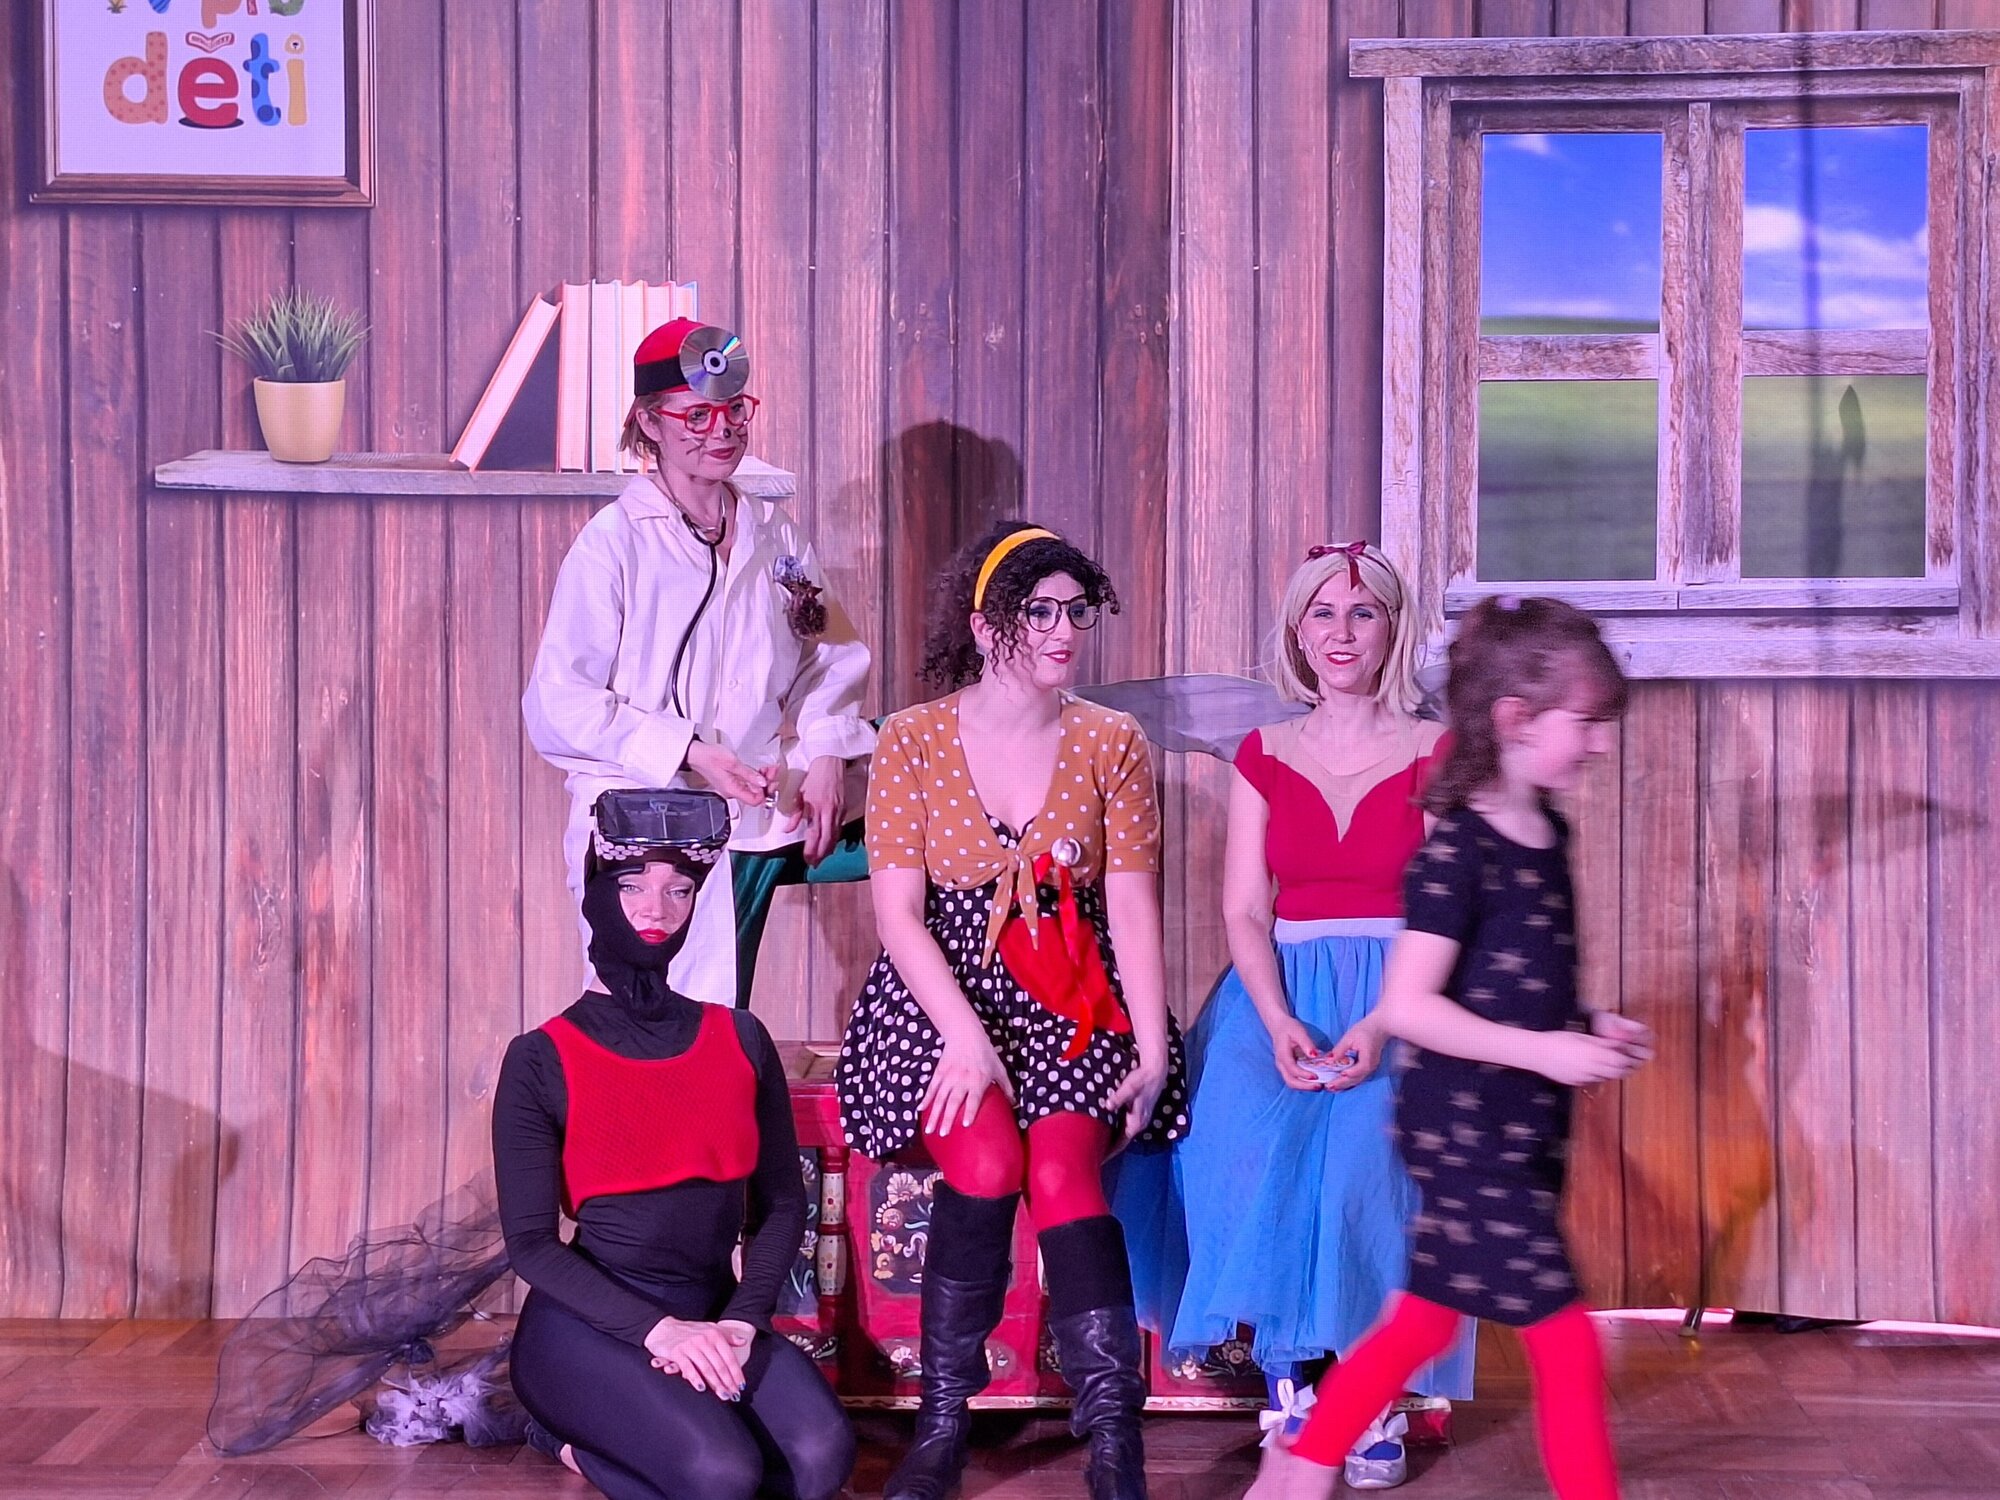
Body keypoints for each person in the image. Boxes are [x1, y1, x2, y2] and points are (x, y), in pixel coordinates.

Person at [1247, 596, 1653, 1500]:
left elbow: (1516, 979)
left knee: (1422, 1323)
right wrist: (1545, 1052)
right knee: (1566, 1342)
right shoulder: (1457, 850)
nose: (1600, 744)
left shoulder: (1548, 833)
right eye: (1586, 723)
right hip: (1466, 1135)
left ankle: (1302, 1465)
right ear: (1514, 719)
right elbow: (1410, 1007)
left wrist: (1586, 1024)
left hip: (1519, 1129)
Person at [837, 522, 1191, 1500]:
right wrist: (964, 1038)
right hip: (938, 996)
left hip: (1068, 991)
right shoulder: (912, 738)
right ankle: (943, 1419)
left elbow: (1131, 908)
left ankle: (1113, 1438)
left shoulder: (1109, 741)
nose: (1063, 630)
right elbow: (898, 917)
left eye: (1076, 611)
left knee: (1065, 1171)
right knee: (989, 1163)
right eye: (1039, 611)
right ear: (984, 622)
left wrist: (1152, 1048)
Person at [1142, 543, 1475, 1491]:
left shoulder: (1435, 752)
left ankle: (1368, 1397)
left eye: (1363, 613)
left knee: (1369, 1162)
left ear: (1391, 630)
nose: (1342, 633)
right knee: (1241, 1142)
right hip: (1278, 987)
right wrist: (1278, 1018)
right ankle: (1292, 1388)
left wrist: (1383, 1022)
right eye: (1322, 614)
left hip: (1401, 988)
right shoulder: (1264, 752)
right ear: (1298, 631)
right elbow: (1247, 910)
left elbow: (1446, 911)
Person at [493, 793, 855, 1500]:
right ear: (597, 893)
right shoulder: (539, 1057)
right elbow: (531, 1245)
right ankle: (565, 1443)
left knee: (820, 1462)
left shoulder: (741, 1037)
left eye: (678, 889)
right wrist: (660, 1332)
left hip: (717, 1314)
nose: (655, 909)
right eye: (633, 886)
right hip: (590, 1327)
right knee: (725, 1475)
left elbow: (782, 1207)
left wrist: (742, 1322)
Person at [523, 318, 877, 1008]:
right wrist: (688, 751)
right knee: (654, 1018)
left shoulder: (779, 539)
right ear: (649, 423)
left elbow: (831, 654)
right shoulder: (613, 545)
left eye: (734, 412)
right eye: (697, 416)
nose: (722, 432)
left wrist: (827, 751)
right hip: (643, 813)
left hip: (759, 807)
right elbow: (558, 701)